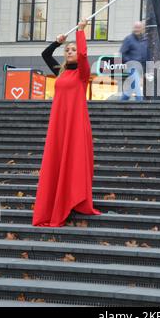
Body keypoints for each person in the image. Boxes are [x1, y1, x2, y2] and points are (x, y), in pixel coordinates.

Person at [32, 18, 102, 227]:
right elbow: (45, 55)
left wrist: (81, 32)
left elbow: (82, 55)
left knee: (73, 158)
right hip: (59, 123)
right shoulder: (60, 71)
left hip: (76, 123)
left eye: (72, 49)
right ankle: (58, 200)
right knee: (57, 158)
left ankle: (72, 198)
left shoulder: (82, 74)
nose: (70, 52)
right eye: (68, 50)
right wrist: (57, 43)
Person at [120, 21, 149, 101]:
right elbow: (122, 53)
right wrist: (129, 61)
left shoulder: (145, 40)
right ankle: (140, 101)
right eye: (135, 27)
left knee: (131, 87)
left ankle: (122, 101)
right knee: (136, 81)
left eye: (139, 27)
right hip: (131, 66)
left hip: (141, 67)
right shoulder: (128, 39)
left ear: (142, 29)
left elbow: (147, 54)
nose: (137, 29)